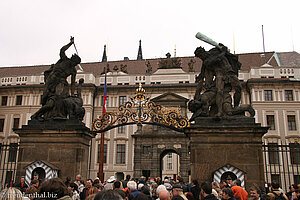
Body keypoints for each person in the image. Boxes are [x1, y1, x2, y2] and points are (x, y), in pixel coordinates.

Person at [31, 37, 81, 120]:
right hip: (53, 79)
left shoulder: (73, 70)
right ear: (72, 59)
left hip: (62, 83)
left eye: (76, 63)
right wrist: (70, 44)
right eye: (74, 62)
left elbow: (72, 83)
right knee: (49, 98)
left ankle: (58, 115)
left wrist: (72, 94)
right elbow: (62, 50)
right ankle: (40, 114)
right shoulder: (64, 60)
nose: (74, 64)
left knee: (62, 99)